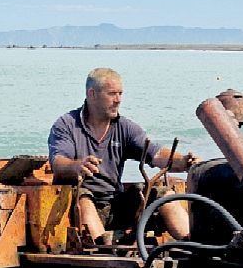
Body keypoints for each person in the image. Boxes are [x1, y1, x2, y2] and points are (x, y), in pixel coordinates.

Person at [47, 68, 197, 245]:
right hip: (82, 204)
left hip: (115, 203)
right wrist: (77, 166)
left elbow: (155, 153)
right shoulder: (66, 125)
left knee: (164, 194)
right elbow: (58, 163)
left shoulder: (125, 127)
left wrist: (183, 162)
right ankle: (102, 248)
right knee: (84, 197)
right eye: (112, 94)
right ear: (92, 94)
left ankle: (194, 244)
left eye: (120, 94)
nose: (118, 100)